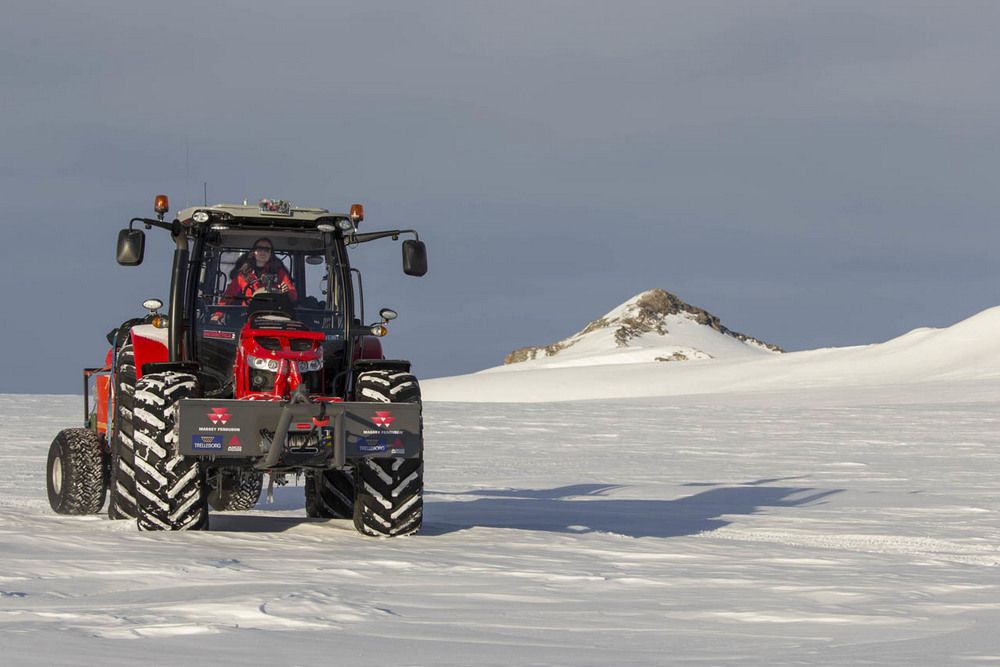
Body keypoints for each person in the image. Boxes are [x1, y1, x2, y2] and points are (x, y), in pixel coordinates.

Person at [210, 238, 297, 323]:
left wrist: (286, 292)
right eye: (260, 248)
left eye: (267, 249)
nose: (263, 252)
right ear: (253, 252)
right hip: (247, 316)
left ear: (271, 253)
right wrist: (218, 314)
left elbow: (293, 295)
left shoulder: (280, 273)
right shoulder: (243, 275)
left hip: (273, 316)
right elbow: (229, 295)